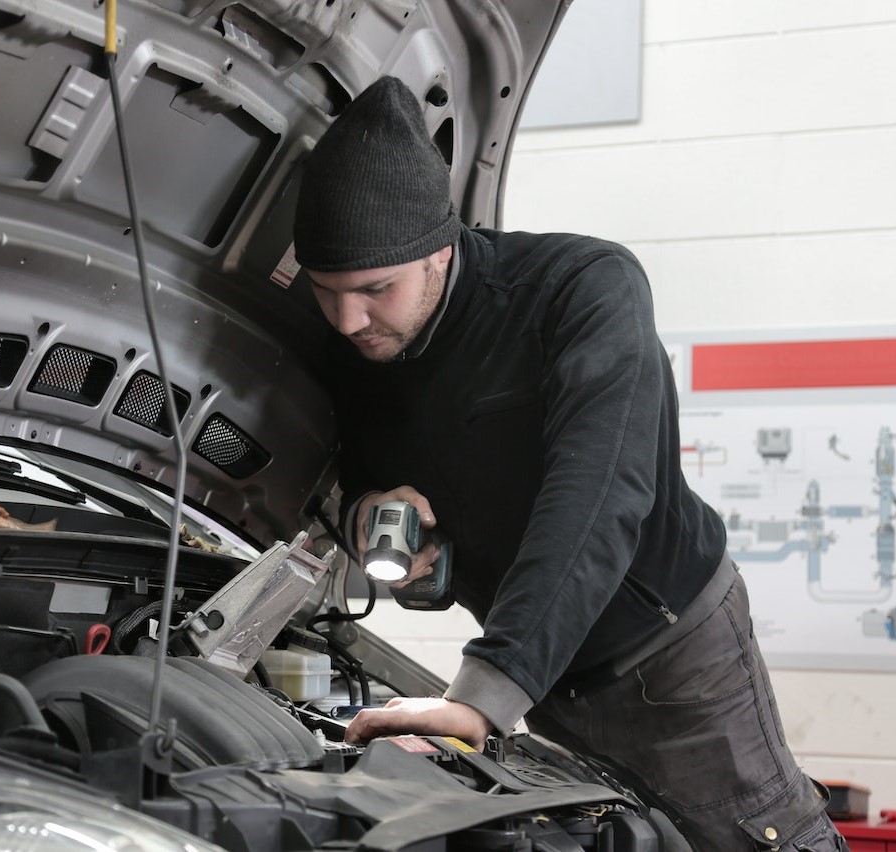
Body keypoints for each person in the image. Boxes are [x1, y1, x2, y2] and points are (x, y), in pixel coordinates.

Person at [292, 75, 848, 851]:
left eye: (374, 290)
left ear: (440, 248)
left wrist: (483, 696)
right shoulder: (354, 345)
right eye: (325, 292)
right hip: (540, 672)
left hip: (670, 656)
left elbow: (598, 494)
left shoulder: (578, 291)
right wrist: (364, 519)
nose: (349, 319)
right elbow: (346, 468)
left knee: (755, 840)